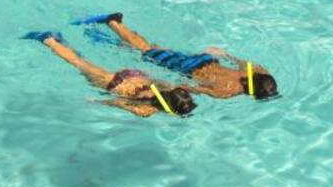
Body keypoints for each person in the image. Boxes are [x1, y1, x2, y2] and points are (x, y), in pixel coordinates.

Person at [72, 13, 279, 100]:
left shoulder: (258, 72)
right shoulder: (227, 92)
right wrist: (167, 86)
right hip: (185, 68)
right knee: (145, 50)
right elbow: (191, 88)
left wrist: (224, 54)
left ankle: (101, 37)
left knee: (153, 48)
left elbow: (244, 62)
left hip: (204, 60)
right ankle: (113, 22)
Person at [22, 30, 196, 117]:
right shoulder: (146, 109)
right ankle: (47, 39)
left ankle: (63, 41)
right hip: (113, 83)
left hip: (134, 75)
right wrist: (97, 101)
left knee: (83, 61)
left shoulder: (169, 88)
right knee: (77, 63)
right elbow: (118, 102)